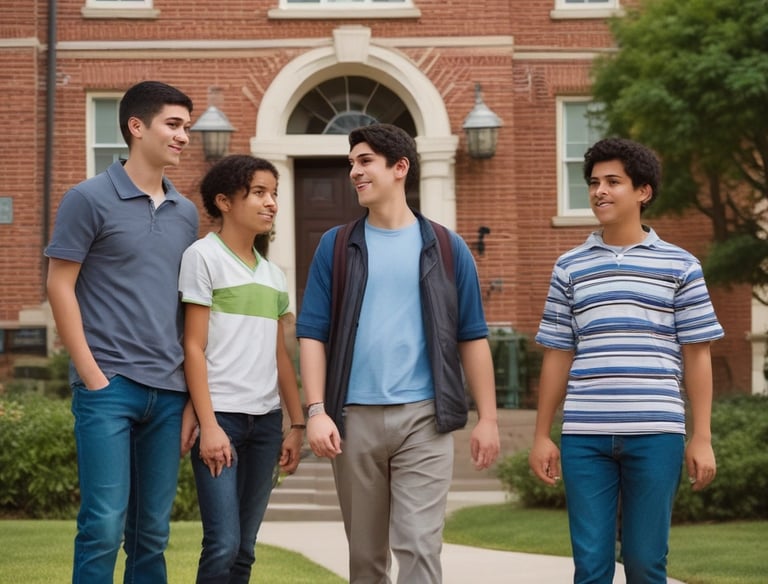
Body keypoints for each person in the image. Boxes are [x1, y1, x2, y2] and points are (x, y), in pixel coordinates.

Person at [296, 123, 500, 583]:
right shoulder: (337, 246)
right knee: (365, 560)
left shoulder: (448, 248)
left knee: (420, 547)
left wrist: (487, 417)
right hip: (353, 420)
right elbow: (312, 333)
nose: (354, 172)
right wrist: (315, 411)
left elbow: (472, 336)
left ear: (399, 167)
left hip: (424, 419)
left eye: (364, 161)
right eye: (351, 163)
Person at [529, 137, 724, 584]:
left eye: (613, 181)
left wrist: (702, 437)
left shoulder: (682, 266)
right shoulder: (569, 267)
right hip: (585, 437)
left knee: (645, 563)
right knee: (591, 568)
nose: (600, 190)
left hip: (656, 434)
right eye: (594, 182)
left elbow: (697, 355)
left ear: (643, 191)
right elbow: (558, 355)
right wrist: (542, 434)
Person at [45, 80, 198, 583]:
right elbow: (59, 286)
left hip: (169, 391)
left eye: (187, 128)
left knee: (152, 533)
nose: (183, 137)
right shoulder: (87, 198)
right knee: (103, 526)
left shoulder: (186, 213)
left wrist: (191, 396)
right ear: (136, 126)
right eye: (173, 125)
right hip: (109, 387)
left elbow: (186, 306)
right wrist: (92, 375)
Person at [178, 154, 304, 583]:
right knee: (223, 544)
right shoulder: (203, 257)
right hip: (223, 418)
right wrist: (209, 425)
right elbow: (193, 347)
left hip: (266, 424)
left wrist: (297, 424)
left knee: (245, 550)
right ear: (225, 202)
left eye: (274, 194)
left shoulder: (273, 275)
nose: (271, 203)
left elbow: (280, 356)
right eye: (259, 193)